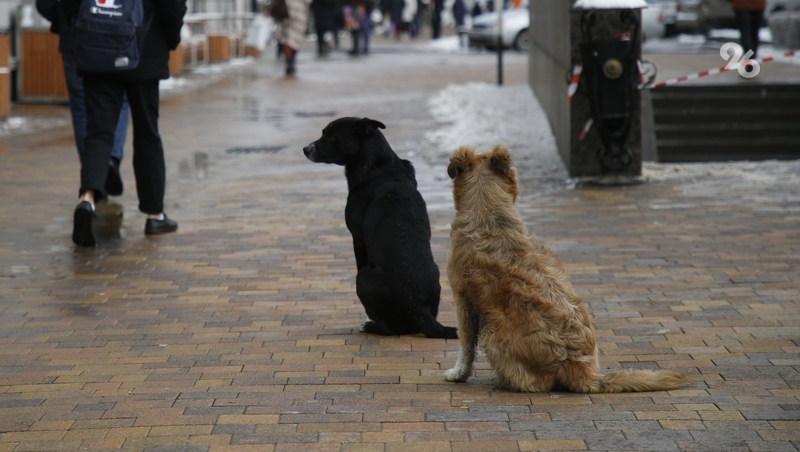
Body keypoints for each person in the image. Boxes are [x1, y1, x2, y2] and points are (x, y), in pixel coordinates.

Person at [62, 0, 187, 247]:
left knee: (98, 134)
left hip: (98, 51)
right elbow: (172, 6)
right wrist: (169, 40)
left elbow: (68, 6)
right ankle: (155, 216)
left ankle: (87, 200)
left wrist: (85, 31)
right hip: (145, 50)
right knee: (147, 133)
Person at [35, 0, 131, 199]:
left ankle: (93, 176)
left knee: (81, 108)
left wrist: (67, 20)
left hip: (76, 38)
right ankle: (110, 158)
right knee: (119, 101)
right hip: (117, 37)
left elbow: (45, 4)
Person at [275, 0, 313, 75]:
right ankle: (290, 61)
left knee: (287, 39)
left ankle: (290, 61)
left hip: (290, 12)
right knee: (291, 39)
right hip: (293, 13)